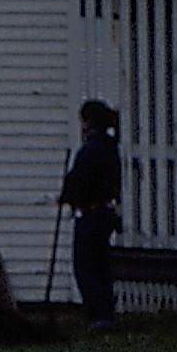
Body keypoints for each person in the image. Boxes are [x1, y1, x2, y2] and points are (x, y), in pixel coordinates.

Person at [60, 99, 123, 327]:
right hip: (106, 212)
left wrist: (67, 194)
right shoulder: (110, 148)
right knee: (100, 265)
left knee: (85, 265)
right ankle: (105, 312)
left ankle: (96, 313)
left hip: (91, 213)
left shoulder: (90, 150)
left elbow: (80, 183)